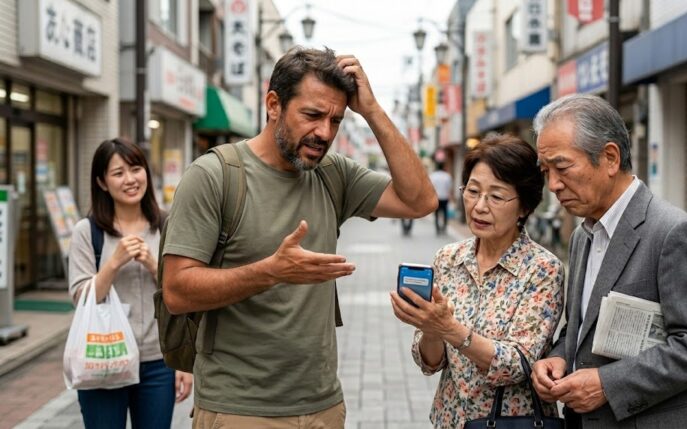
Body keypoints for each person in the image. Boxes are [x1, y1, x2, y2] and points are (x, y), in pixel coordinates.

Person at [161, 47, 437, 428]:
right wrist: (271, 272)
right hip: (240, 409)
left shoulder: (331, 173)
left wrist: (371, 110)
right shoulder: (215, 175)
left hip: (323, 404)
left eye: (335, 120)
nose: (324, 132)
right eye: (312, 115)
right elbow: (176, 292)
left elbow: (421, 200)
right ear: (274, 104)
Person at [531, 94, 687, 428]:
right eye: (546, 171)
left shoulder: (672, 232)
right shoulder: (583, 235)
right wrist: (558, 357)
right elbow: (582, 327)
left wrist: (608, 384)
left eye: (562, 167)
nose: (553, 185)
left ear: (610, 158)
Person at [390, 134, 564, 429]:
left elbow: (517, 363)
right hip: (450, 419)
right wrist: (432, 329)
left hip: (514, 423)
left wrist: (450, 329)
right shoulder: (448, 258)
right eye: (472, 191)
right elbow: (430, 363)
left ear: (524, 206)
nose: (479, 206)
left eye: (496, 196)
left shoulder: (543, 269)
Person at [68, 138, 193, 428]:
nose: (130, 179)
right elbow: (80, 297)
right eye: (118, 173)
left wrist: (152, 264)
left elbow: (184, 292)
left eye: (136, 169)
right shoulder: (87, 232)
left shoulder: (167, 225)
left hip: (158, 362)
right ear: (101, 182)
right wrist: (113, 263)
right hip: (103, 358)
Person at [429, 162, 453, 235]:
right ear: (443, 167)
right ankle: (444, 227)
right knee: (445, 213)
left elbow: (431, 187)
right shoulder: (447, 176)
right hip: (445, 197)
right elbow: (449, 188)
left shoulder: (433, 175)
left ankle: (437, 229)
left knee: (436, 214)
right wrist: (450, 197)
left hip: (436, 198)